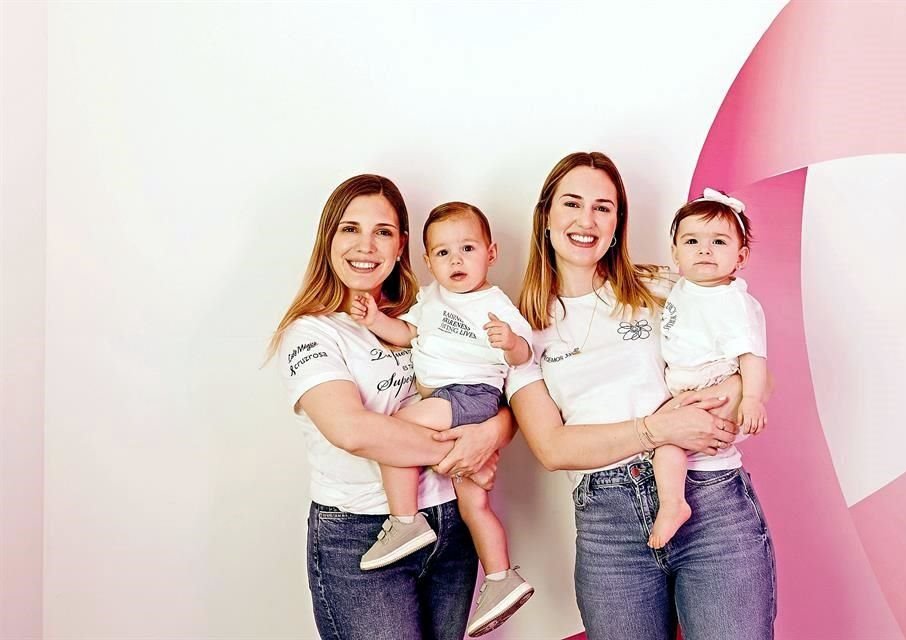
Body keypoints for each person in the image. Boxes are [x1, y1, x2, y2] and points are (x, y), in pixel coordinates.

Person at [502, 152, 777, 640]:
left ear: (617, 223)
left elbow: (746, 355)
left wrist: (733, 393)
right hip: (610, 528)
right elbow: (551, 448)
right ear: (545, 216)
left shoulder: (665, 288)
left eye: (603, 208)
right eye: (572, 204)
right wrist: (657, 429)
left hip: (710, 498)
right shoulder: (521, 331)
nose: (587, 220)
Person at [270, 175, 514, 640]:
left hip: (449, 525)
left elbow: (490, 392)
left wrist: (489, 435)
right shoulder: (312, 333)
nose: (366, 245)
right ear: (328, 239)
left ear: (401, 244)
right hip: (362, 531)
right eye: (350, 229)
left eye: (382, 231)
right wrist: (460, 455)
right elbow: (354, 431)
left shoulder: (426, 313)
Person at [349, 201, 535, 637]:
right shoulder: (430, 300)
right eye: (444, 253)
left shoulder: (494, 302)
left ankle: (405, 521)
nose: (456, 260)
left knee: (392, 434)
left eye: (467, 249)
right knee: (474, 505)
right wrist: (377, 318)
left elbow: (525, 355)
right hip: (457, 403)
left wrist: (510, 341)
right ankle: (500, 578)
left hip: (470, 395)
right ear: (428, 260)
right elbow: (408, 336)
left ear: (490, 253)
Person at [649, 188, 769, 548]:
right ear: (675, 254)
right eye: (691, 241)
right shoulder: (685, 286)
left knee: (666, 444)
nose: (704, 250)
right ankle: (675, 501)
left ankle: (674, 504)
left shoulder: (731, 301)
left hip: (713, 381)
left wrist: (750, 398)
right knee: (667, 442)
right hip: (687, 387)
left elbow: (752, 355)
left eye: (718, 241)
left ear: (741, 256)